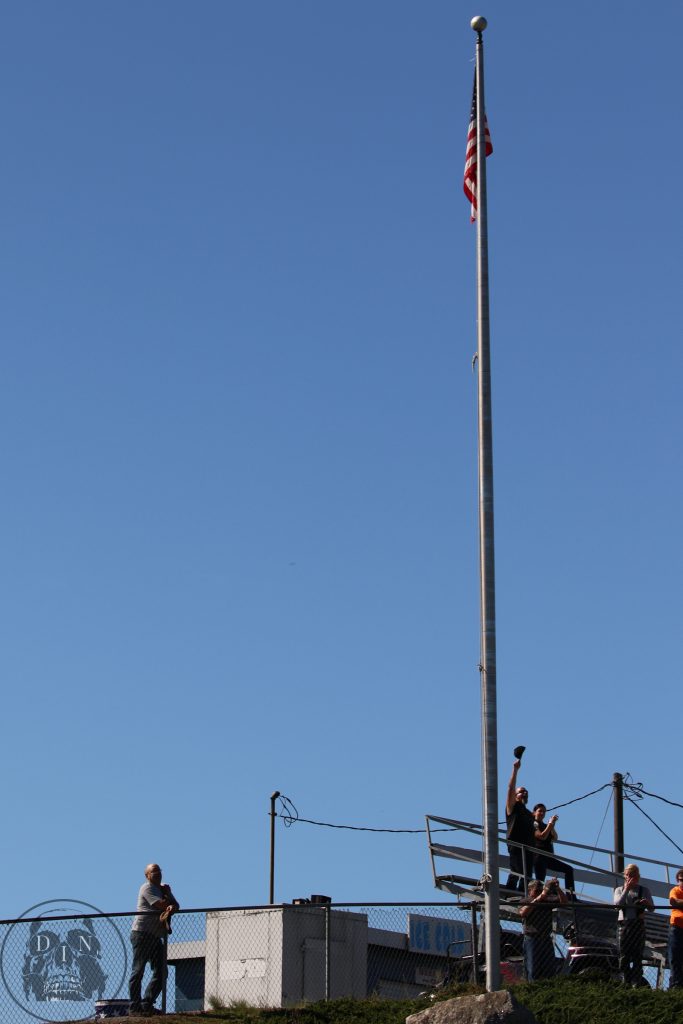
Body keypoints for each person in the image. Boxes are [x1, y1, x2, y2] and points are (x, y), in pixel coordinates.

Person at [129, 863, 179, 1016]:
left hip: (155, 936)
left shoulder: (162, 889)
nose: (157, 874)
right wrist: (168, 902)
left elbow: (176, 905)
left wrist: (169, 895)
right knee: (138, 970)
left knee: (161, 971)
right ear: (147, 875)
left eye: (159, 871)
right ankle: (135, 1007)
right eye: (153, 872)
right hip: (142, 934)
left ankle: (146, 1004)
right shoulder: (147, 888)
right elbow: (162, 905)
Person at [613, 863, 654, 986]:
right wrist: (626, 889)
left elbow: (652, 908)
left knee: (637, 956)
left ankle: (636, 982)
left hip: (638, 925)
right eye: (627, 875)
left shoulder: (644, 890)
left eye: (632, 875)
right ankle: (624, 981)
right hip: (623, 925)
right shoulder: (619, 890)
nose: (629, 878)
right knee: (623, 955)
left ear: (637, 876)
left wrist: (646, 903)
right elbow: (617, 906)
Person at [519, 878, 567, 980]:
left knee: (549, 968)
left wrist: (557, 888)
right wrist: (540, 897)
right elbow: (523, 913)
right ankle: (532, 988)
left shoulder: (547, 900)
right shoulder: (526, 900)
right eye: (537, 891)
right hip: (532, 938)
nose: (539, 893)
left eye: (540, 890)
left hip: (545, 938)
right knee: (532, 968)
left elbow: (564, 903)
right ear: (530, 890)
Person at [532, 803, 576, 896]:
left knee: (569, 870)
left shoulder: (545, 825)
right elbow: (542, 836)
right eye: (540, 811)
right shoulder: (533, 823)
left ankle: (571, 896)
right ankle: (537, 897)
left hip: (549, 857)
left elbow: (555, 837)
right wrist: (550, 824)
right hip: (539, 856)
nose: (542, 813)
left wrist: (552, 825)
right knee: (540, 880)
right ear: (534, 813)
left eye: (544, 811)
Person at [505, 758, 535, 892]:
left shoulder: (529, 813)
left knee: (527, 875)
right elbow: (510, 788)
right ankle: (509, 893)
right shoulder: (513, 807)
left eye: (525, 791)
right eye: (521, 791)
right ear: (516, 796)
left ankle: (523, 895)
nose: (524, 793)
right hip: (516, 844)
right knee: (517, 870)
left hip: (529, 846)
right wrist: (515, 770)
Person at [668, 869, 683, 988]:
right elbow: (674, 901)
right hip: (677, 928)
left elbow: (678, 902)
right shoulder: (675, 890)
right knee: (675, 957)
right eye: (680, 880)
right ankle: (675, 985)